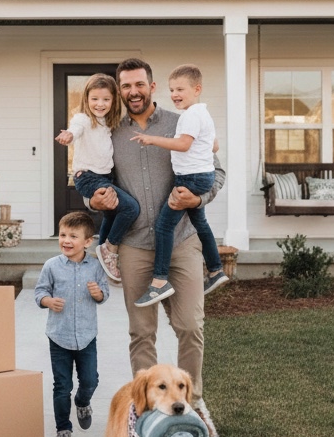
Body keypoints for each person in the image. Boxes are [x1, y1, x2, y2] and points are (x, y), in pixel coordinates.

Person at [88, 57, 224, 410]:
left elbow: (217, 169)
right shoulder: (108, 131)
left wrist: (200, 196)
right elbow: (92, 176)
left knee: (190, 327)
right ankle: (147, 411)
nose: (133, 92)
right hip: (134, 245)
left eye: (139, 84)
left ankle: (190, 406)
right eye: (126, 86)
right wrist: (95, 199)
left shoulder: (185, 121)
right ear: (120, 90)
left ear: (152, 86)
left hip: (181, 240)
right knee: (142, 333)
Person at [131, 64, 228, 307]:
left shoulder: (190, 115)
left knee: (164, 227)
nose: (174, 94)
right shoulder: (203, 113)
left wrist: (153, 139)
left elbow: (184, 145)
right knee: (200, 224)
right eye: (172, 89)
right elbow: (214, 146)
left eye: (180, 89)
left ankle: (159, 282)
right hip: (201, 174)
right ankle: (216, 270)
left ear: (197, 89)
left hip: (190, 178)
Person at [33, 210, 110, 437]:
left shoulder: (95, 267)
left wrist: (98, 294)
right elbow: (39, 292)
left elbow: (104, 292)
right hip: (59, 335)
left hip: (87, 335)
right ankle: (63, 429)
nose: (66, 240)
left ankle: (83, 402)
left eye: (73, 236)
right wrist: (48, 301)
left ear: (87, 242)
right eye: (63, 234)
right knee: (61, 385)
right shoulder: (51, 266)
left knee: (90, 380)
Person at [54, 73, 140, 283]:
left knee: (111, 214)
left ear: (113, 100)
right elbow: (75, 130)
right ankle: (110, 248)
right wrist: (69, 136)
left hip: (106, 177)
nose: (100, 104)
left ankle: (103, 260)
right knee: (130, 208)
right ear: (86, 99)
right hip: (88, 177)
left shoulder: (109, 122)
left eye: (106, 99)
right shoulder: (82, 119)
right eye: (94, 99)